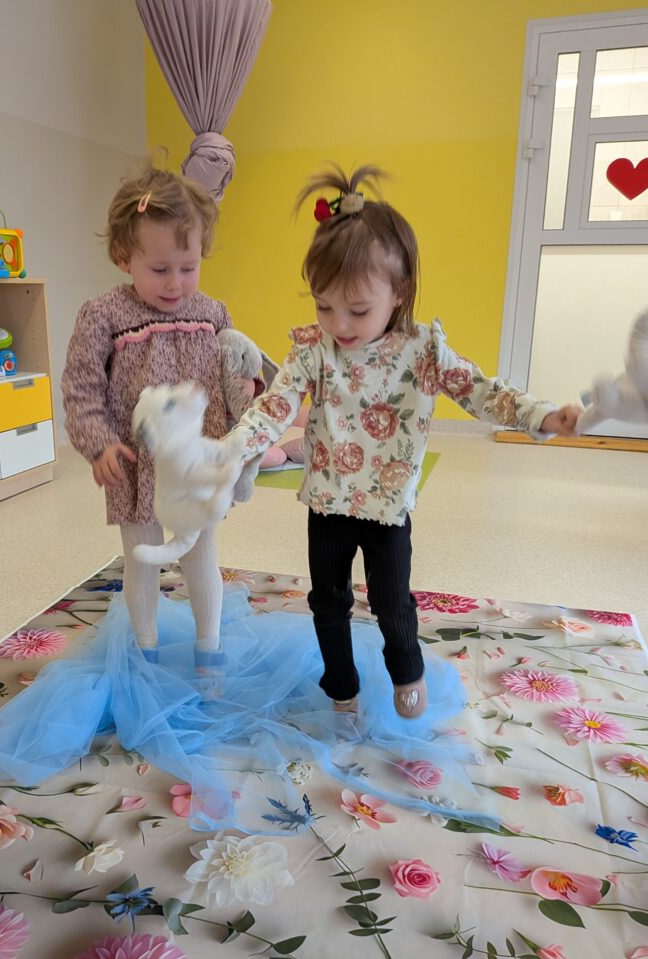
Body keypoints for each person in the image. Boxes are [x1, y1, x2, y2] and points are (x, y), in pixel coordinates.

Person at [229, 164, 581, 719]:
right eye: (323, 305)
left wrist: (541, 416)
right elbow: (276, 405)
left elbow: (481, 391)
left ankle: (406, 669)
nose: (339, 324)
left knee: (392, 600)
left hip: (388, 506)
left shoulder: (422, 351)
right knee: (327, 601)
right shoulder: (313, 349)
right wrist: (234, 446)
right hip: (327, 501)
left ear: (400, 292)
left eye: (358, 310)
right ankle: (340, 686)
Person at [61, 159, 247, 671]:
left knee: (200, 555)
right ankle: (145, 651)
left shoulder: (213, 314)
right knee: (141, 559)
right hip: (133, 463)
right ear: (124, 256)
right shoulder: (104, 314)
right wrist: (98, 443)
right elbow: (81, 385)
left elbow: (235, 379)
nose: (175, 283)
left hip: (194, 463)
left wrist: (242, 433)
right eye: (160, 270)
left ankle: (209, 650)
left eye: (188, 268)